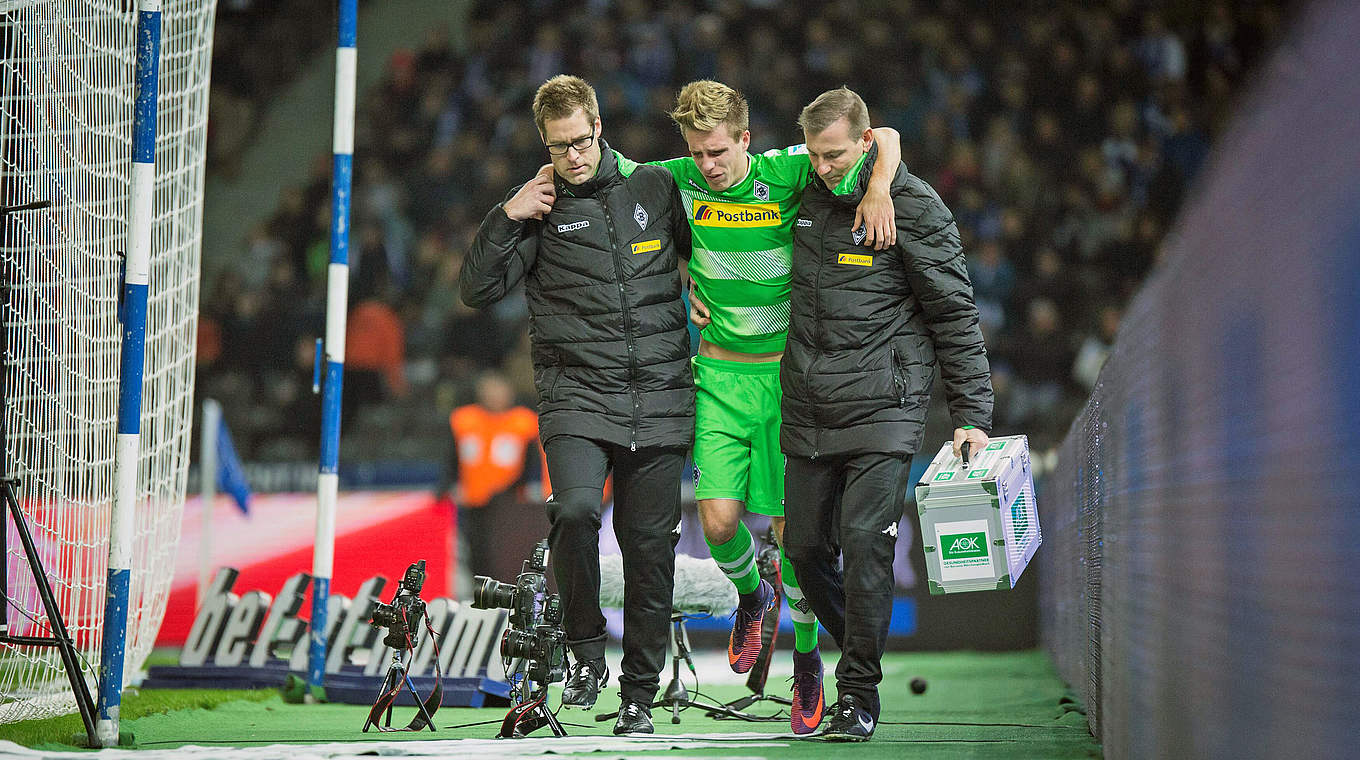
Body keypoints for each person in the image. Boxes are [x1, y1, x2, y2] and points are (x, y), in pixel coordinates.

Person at [653, 80, 901, 735]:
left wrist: (877, 190)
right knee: (719, 521)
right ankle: (751, 595)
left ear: (744, 140)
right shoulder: (679, 178)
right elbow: (610, 181)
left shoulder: (787, 170)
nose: (708, 165)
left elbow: (888, 139)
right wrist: (679, 264)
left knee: (799, 537)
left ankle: (808, 658)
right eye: (697, 153)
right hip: (719, 379)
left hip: (790, 384)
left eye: (718, 151)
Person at [460, 75, 694, 736]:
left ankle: (639, 695)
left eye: (584, 140)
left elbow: (710, 249)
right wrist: (506, 215)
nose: (576, 156)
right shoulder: (535, 208)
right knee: (575, 510)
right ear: (546, 142)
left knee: (650, 550)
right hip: (577, 400)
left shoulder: (655, 186)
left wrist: (706, 287)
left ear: (599, 127)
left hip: (660, 399)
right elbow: (475, 291)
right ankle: (586, 653)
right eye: (561, 146)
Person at [780, 87, 993, 742]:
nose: (823, 168)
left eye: (837, 155)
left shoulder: (915, 207)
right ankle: (861, 647)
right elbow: (724, 182)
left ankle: (859, 694)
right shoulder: (802, 188)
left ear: (866, 144)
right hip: (812, 406)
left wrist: (971, 412)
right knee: (806, 548)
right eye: (815, 155)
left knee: (866, 544)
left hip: (887, 405)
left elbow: (954, 314)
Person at [435, 370, 539, 591]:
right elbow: (452, 459)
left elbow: (530, 465)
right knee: (476, 551)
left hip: (509, 503)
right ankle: (479, 596)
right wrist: (445, 486)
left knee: (505, 552)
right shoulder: (464, 420)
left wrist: (513, 491)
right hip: (474, 500)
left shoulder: (524, 422)